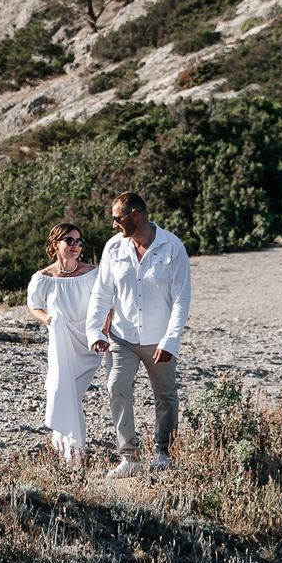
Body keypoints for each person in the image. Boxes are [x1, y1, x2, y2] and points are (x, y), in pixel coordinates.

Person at [82, 190, 190, 475]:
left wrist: (170, 340)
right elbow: (102, 292)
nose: (114, 225)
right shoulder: (113, 248)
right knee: (117, 389)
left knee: (165, 396)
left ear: (135, 215)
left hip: (159, 339)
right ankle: (128, 458)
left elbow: (181, 299)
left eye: (118, 218)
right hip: (122, 337)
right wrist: (95, 331)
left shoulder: (172, 247)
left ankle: (163, 453)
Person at [25, 219, 103, 462]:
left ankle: (74, 454)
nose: (75, 245)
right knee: (62, 392)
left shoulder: (93, 273)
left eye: (79, 241)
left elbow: (105, 305)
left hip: (89, 343)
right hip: (61, 342)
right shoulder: (43, 277)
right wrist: (48, 319)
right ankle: (72, 454)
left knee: (73, 395)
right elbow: (33, 305)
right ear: (55, 243)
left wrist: (102, 332)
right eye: (69, 240)